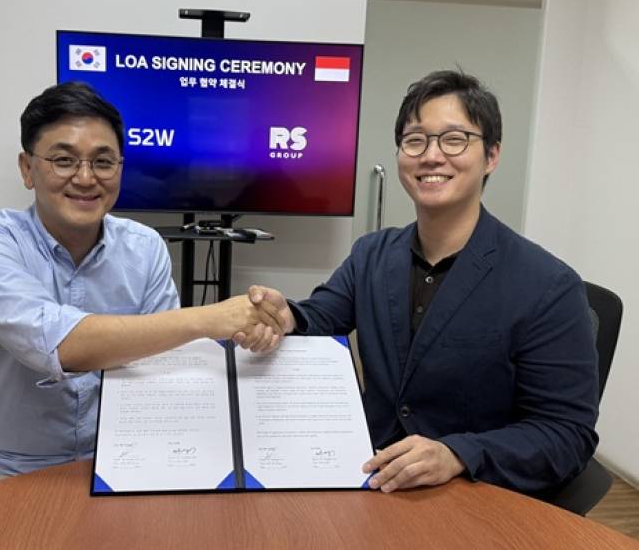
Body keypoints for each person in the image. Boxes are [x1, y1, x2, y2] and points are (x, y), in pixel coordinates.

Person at [239, 70, 599, 496]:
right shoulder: (371, 255)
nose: (431, 156)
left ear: (492, 156)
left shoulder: (547, 285)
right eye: (415, 140)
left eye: (454, 139)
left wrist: (458, 453)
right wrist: (286, 316)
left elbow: (566, 433)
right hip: (370, 480)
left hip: (473, 496)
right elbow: (318, 318)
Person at [0, 82, 282, 490]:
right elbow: (59, 346)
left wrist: (256, 330)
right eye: (63, 160)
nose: (85, 178)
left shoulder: (145, 247)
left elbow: (166, 360)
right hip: (10, 467)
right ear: (27, 168)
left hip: (125, 461)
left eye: (103, 162)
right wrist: (210, 318)